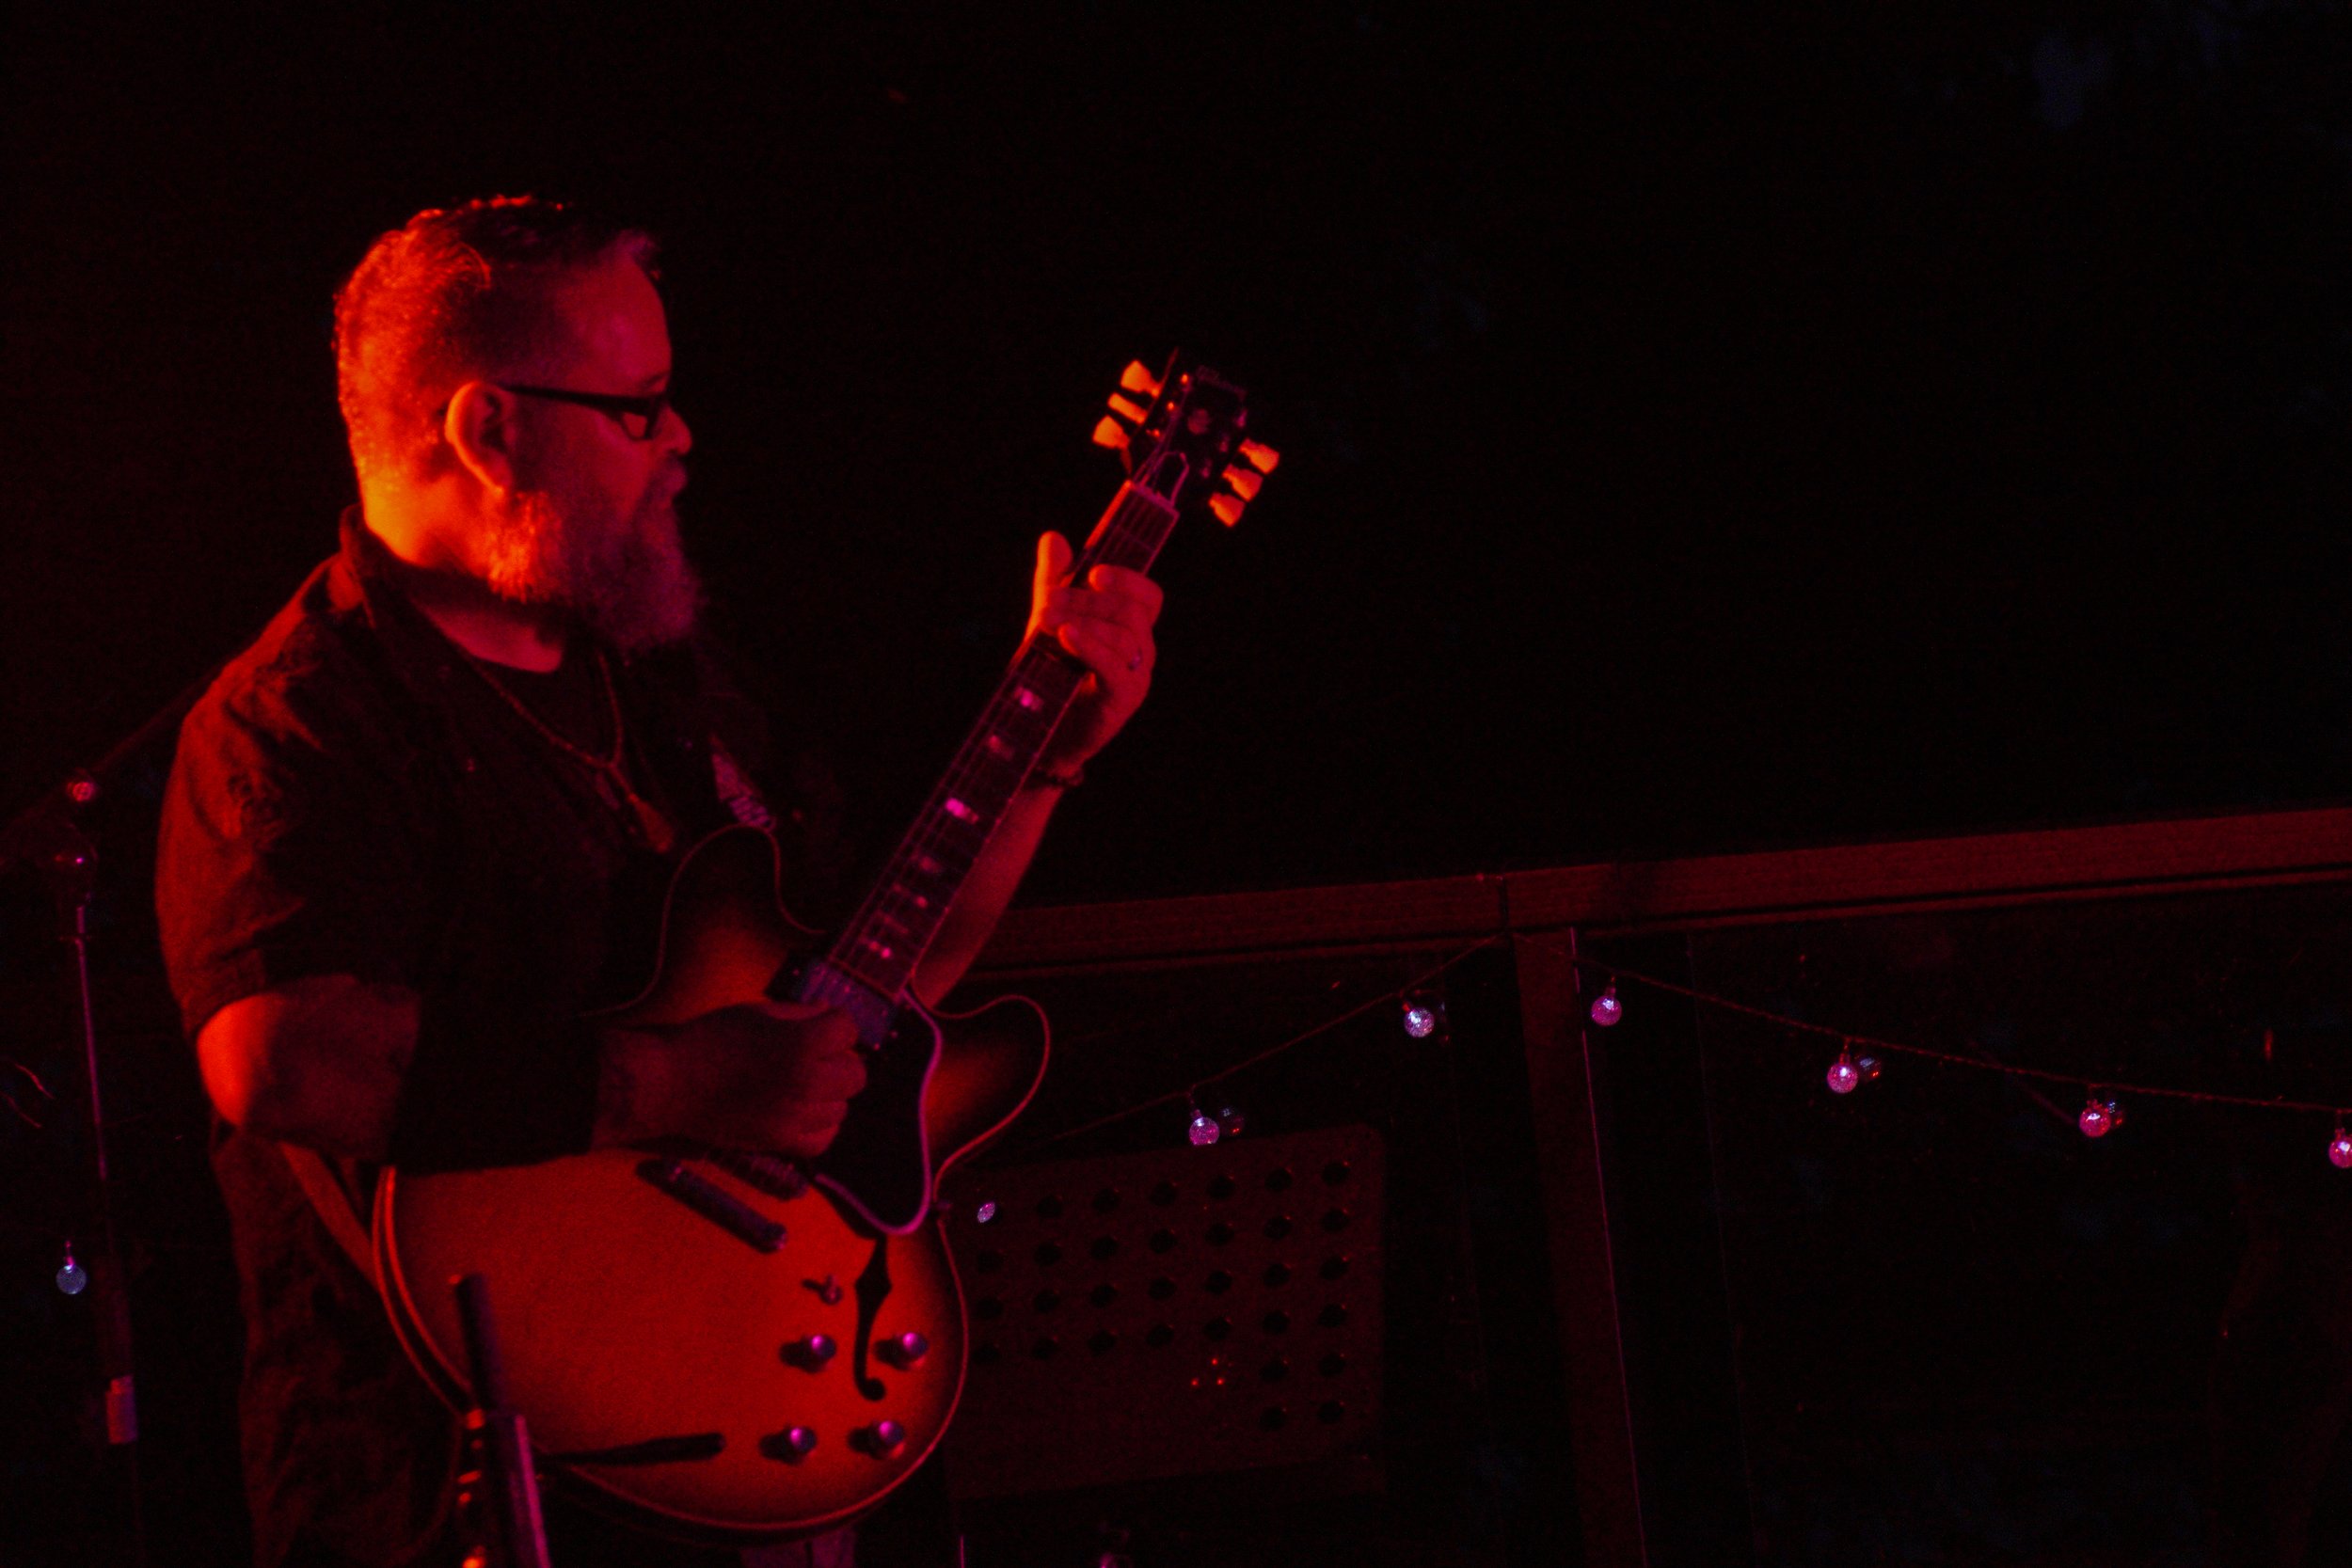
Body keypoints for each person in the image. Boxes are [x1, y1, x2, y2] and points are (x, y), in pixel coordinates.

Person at [154, 196, 1163, 1568]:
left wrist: (1046, 762)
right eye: (638, 407)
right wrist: (681, 1083)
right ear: (489, 429)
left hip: (756, 1447)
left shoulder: (673, 683)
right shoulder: (301, 721)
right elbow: (280, 1063)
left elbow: (862, 1003)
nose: (680, 440)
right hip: (454, 1499)